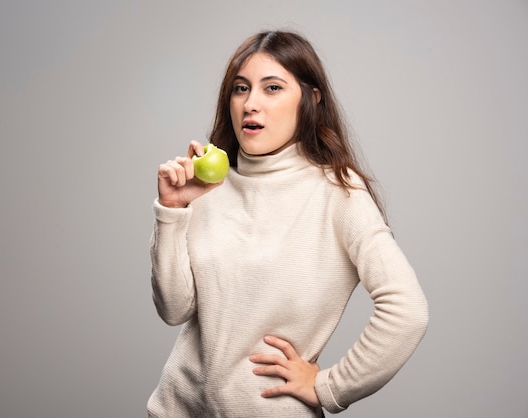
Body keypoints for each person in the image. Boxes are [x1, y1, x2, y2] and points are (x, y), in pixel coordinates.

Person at [148, 30, 428, 417]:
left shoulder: (337, 191)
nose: (251, 104)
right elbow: (174, 309)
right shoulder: (210, 185)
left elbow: (407, 310)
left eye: (273, 88)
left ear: (311, 100)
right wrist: (173, 211)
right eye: (241, 88)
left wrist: (331, 387)